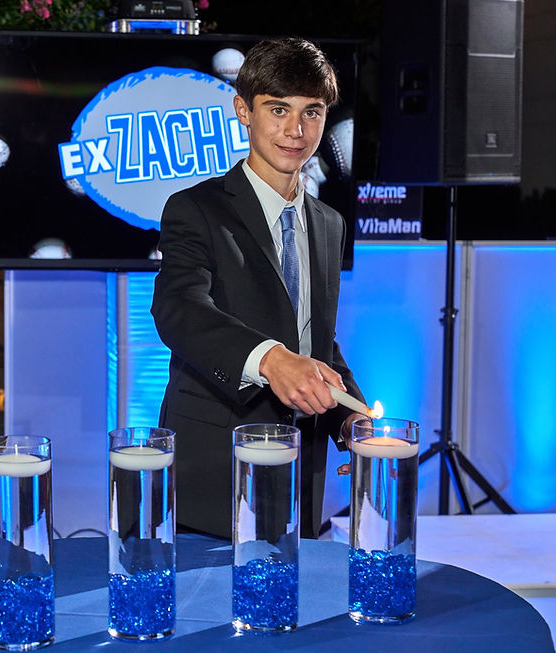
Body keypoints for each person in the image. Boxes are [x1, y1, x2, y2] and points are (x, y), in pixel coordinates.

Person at [151, 37, 368, 540]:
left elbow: (316, 343)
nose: (296, 130)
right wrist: (271, 360)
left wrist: (350, 421)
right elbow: (178, 308)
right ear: (243, 112)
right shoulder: (196, 208)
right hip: (215, 471)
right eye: (278, 110)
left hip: (302, 474)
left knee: (295, 613)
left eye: (311, 112)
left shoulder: (330, 223)